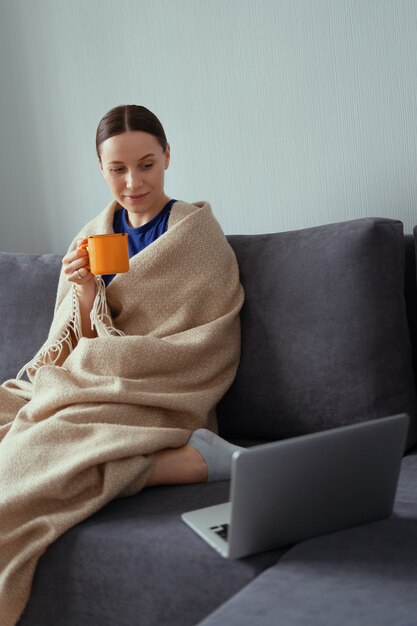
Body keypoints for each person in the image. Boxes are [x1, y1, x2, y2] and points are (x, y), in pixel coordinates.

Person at [0, 104, 244, 625]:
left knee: (43, 439)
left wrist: (108, 359)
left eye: (147, 164)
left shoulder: (196, 235)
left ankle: (190, 450)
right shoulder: (88, 239)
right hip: (93, 378)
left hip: (155, 388)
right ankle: (191, 461)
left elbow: (204, 339)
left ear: (167, 158)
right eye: (118, 169)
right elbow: (76, 345)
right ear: (101, 168)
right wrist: (85, 292)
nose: (134, 182)